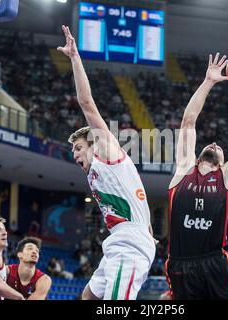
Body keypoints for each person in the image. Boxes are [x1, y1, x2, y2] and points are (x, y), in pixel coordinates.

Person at [57, 25, 156, 300]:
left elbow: (86, 103)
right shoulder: (93, 175)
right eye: (73, 152)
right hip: (120, 243)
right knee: (87, 297)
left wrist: (75, 58)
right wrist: (148, 235)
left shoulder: (109, 155)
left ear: (94, 144)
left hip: (129, 245)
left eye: (78, 148)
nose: (75, 155)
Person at [165, 53, 228, 300]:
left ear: (223, 161)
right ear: (198, 157)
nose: (216, 143)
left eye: (220, 148)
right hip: (180, 263)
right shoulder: (184, 170)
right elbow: (188, 121)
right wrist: (208, 81)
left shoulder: (227, 177)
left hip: (214, 263)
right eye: (212, 145)